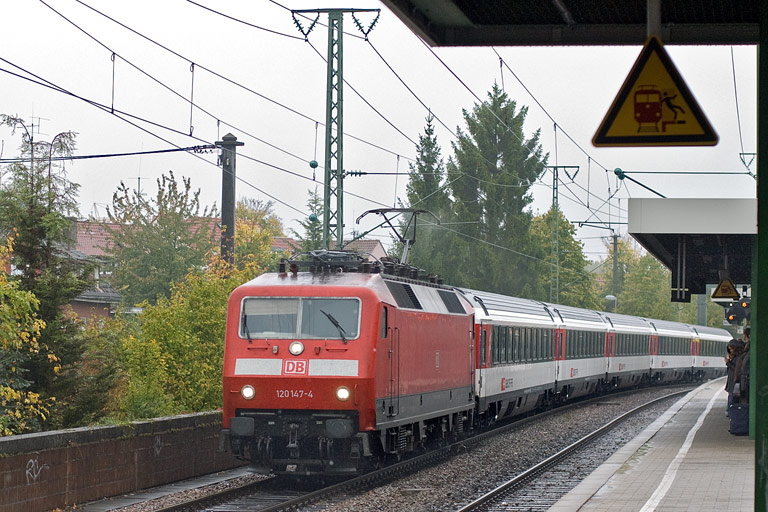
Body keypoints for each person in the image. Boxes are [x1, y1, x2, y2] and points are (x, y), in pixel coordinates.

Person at [725, 338, 745, 415]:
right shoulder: (736, 357)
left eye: (731, 349)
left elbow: (736, 369)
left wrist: (728, 363)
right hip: (732, 382)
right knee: (731, 397)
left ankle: (730, 412)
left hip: (734, 382)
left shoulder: (738, 358)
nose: (730, 351)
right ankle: (730, 411)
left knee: (732, 398)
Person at [739, 327, 750, 404]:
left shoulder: (749, 352)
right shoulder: (747, 350)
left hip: (746, 381)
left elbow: (745, 367)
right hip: (745, 381)